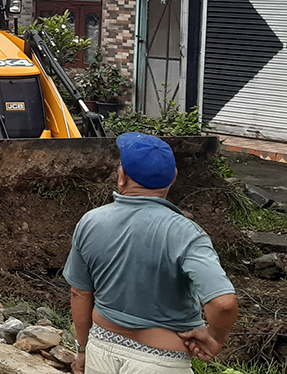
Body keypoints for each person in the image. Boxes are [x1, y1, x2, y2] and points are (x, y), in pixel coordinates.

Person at [63, 132, 238, 374]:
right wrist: (215, 338)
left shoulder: (90, 222)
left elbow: (79, 293)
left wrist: (83, 350)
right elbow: (224, 304)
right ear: (173, 178)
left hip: (101, 350)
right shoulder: (186, 233)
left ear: (121, 178)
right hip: (160, 362)